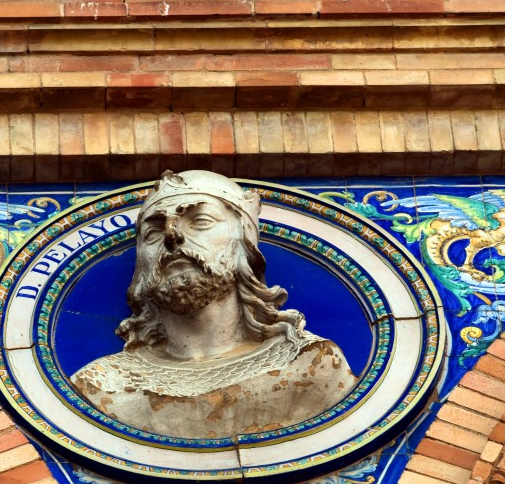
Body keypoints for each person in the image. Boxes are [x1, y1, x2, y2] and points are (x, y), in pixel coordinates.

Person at [71, 170, 357, 439]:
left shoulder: (310, 365)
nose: (172, 236)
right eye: (153, 233)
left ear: (244, 245)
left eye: (201, 222)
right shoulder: (101, 385)